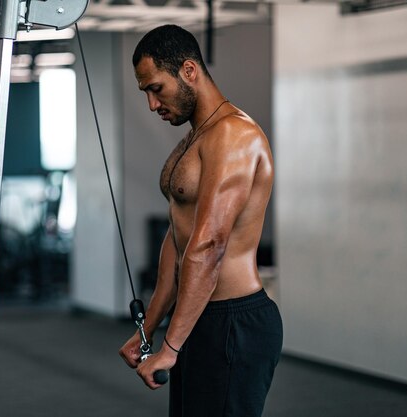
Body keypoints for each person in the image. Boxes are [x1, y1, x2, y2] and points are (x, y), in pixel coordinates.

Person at [118, 25, 283, 417]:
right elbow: (179, 239)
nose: (151, 104)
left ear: (189, 71)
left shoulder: (234, 135)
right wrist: (151, 326)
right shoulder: (195, 139)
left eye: (156, 88)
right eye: (145, 92)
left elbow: (208, 246)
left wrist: (170, 348)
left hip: (233, 322)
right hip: (197, 315)